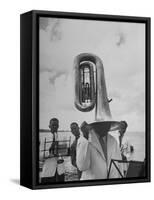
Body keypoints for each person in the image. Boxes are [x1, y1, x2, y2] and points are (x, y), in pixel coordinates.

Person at [41, 118, 65, 183]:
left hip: (60, 171)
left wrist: (66, 152)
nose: (55, 127)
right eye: (53, 125)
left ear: (58, 126)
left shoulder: (63, 138)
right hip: (49, 171)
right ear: (49, 126)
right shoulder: (44, 138)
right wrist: (49, 153)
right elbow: (39, 155)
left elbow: (64, 151)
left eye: (56, 125)